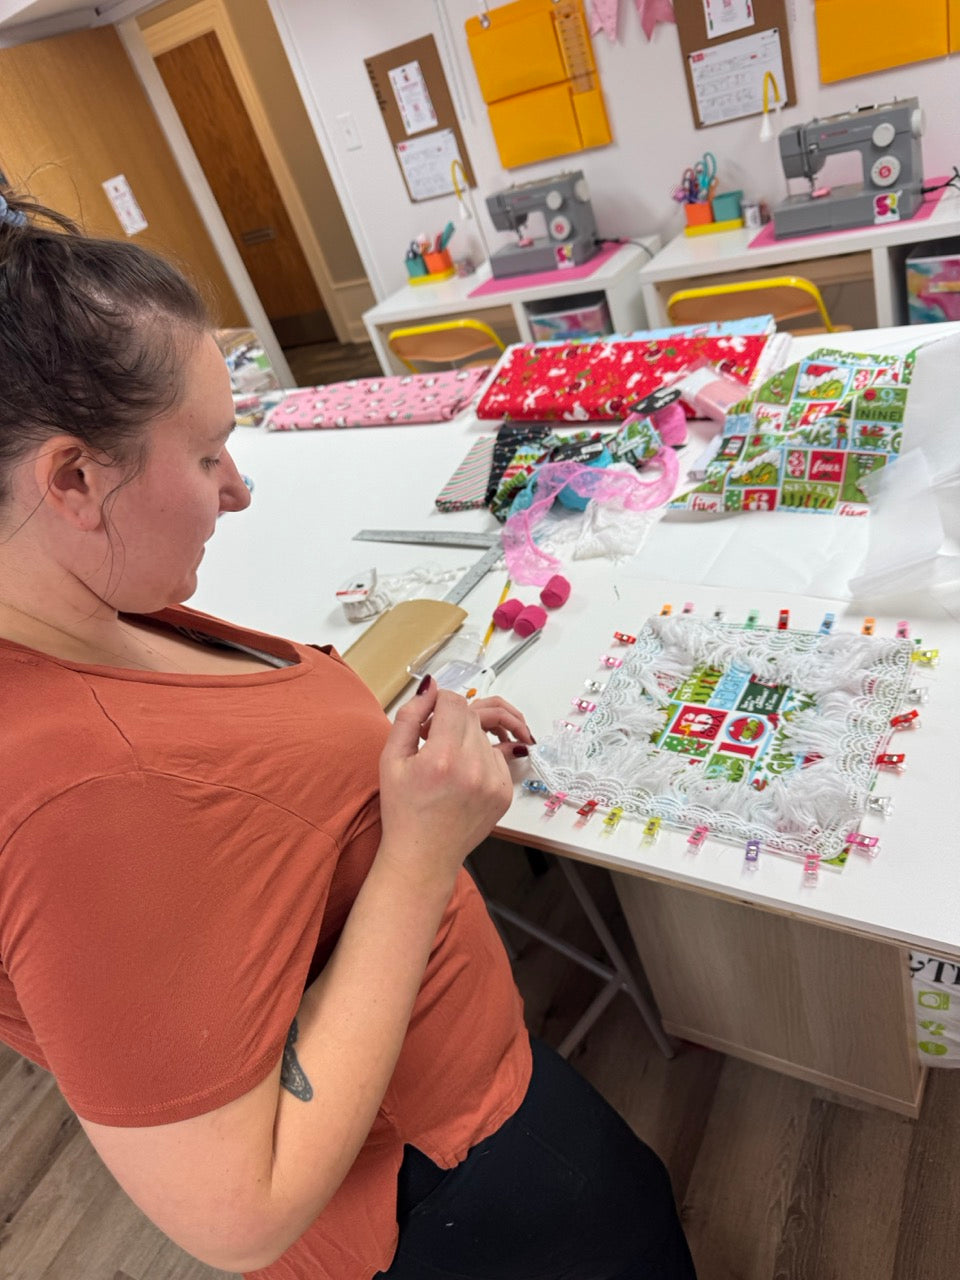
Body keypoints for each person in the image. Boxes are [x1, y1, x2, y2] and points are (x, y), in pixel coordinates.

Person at [0, 188, 697, 1280]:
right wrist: (420, 851)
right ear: (76, 478)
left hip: (459, 1095)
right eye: (208, 455)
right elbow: (241, 1208)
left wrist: (375, 758)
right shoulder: (75, 799)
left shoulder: (91, 611)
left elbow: (229, 802)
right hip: (441, 1185)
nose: (239, 489)